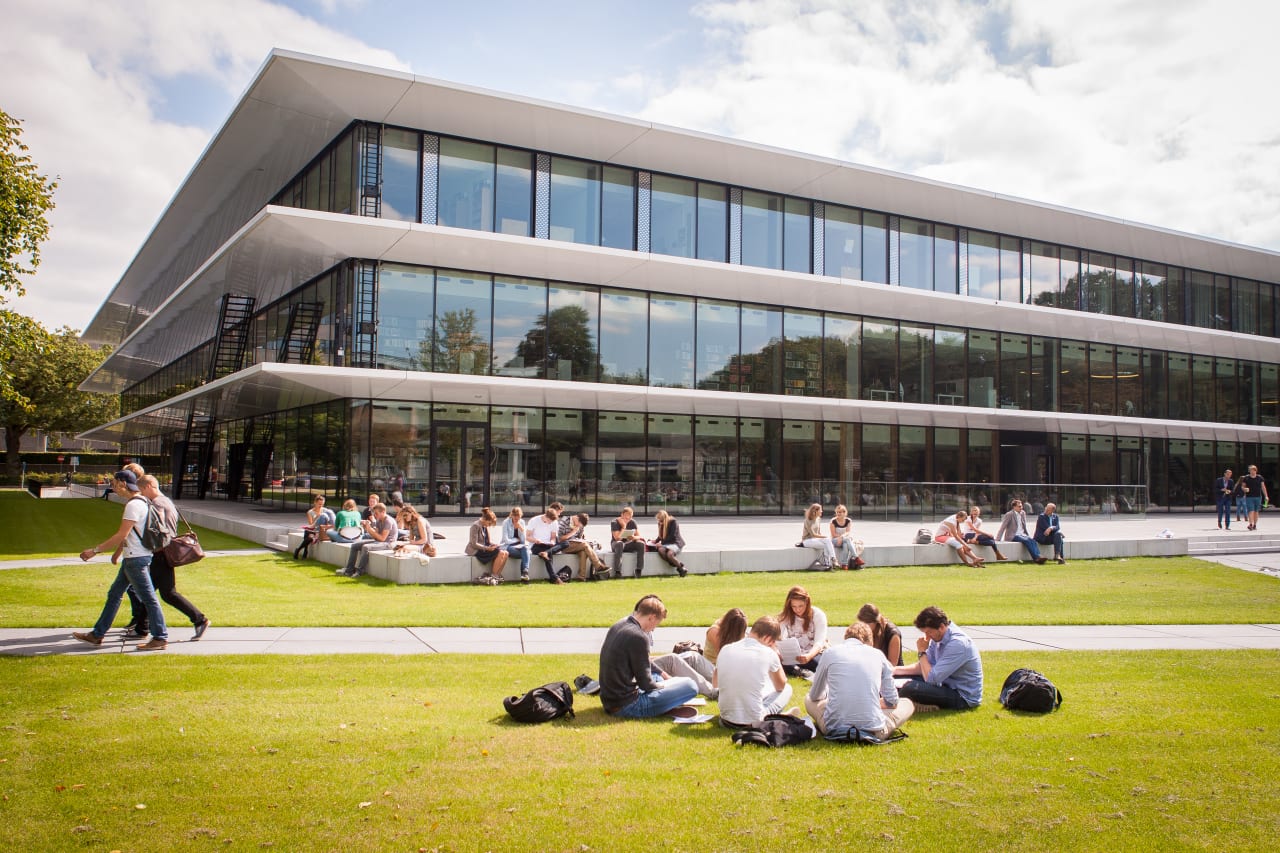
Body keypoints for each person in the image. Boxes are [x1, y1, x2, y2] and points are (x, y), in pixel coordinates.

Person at [72, 470, 168, 651]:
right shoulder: (143, 502)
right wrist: (117, 555)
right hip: (134, 557)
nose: (113, 488)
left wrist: (94, 551)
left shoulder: (133, 505)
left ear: (123, 484)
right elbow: (129, 535)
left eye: (115, 484)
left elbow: (121, 535)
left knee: (149, 598)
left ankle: (160, 636)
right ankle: (97, 634)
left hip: (136, 559)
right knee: (115, 594)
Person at [133, 474, 210, 640]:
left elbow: (158, 530)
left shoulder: (157, 504)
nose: (141, 494)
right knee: (157, 592)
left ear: (148, 486)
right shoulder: (166, 501)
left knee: (159, 593)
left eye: (141, 490)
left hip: (161, 553)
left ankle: (199, 619)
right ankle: (141, 627)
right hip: (164, 553)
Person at [805, 621, 914, 738]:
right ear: (870, 641)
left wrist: (829, 697)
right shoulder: (878, 655)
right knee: (907, 704)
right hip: (874, 729)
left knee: (809, 699)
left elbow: (815, 695)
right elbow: (892, 701)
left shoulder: (830, 653)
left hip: (834, 727)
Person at [598, 595, 698, 719]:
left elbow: (643, 661)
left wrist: (663, 675)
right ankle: (663, 707)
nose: (654, 629)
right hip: (627, 706)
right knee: (690, 685)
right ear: (651, 617)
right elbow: (646, 684)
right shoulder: (639, 637)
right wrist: (667, 685)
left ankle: (665, 704)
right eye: (657, 623)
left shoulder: (620, 624)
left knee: (657, 676)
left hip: (610, 700)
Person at [893, 605, 983, 710]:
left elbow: (931, 679)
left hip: (962, 696)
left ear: (941, 627)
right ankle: (914, 702)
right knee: (895, 678)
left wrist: (922, 652)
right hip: (943, 684)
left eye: (928, 632)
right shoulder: (938, 638)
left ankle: (918, 705)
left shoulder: (958, 644)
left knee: (910, 688)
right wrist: (895, 670)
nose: (927, 636)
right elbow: (925, 667)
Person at [713, 616, 793, 727]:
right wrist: (775, 653)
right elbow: (781, 686)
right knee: (787, 689)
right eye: (773, 641)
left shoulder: (726, 648)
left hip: (726, 720)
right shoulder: (769, 653)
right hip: (754, 721)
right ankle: (772, 717)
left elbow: (715, 684)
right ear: (768, 639)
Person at [778, 586, 827, 677]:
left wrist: (809, 656)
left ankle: (797, 669)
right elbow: (777, 636)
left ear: (807, 603)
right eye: (794, 606)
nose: (797, 609)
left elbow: (819, 642)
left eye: (801, 606)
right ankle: (799, 671)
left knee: (821, 666)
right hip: (794, 653)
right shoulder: (786, 615)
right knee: (776, 662)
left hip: (814, 653)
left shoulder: (818, 615)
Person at [337, 502, 398, 577]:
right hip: (380, 541)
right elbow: (376, 536)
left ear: (383, 512)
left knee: (366, 547)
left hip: (389, 543)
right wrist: (368, 528)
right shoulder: (379, 520)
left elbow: (382, 538)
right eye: (374, 513)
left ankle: (360, 572)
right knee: (355, 545)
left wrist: (370, 529)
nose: (375, 515)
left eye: (376, 513)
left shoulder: (388, 521)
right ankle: (349, 570)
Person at [557, 512, 611, 580]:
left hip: (576, 545)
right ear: (577, 519)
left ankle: (581, 577)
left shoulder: (580, 526)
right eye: (579, 525)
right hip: (564, 545)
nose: (580, 527)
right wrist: (573, 532)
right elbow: (559, 539)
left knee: (583, 551)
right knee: (585, 545)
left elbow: (579, 539)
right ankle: (598, 566)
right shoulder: (564, 521)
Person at [994, 499, 1046, 564]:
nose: (1021, 508)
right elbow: (1003, 527)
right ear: (1014, 507)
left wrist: (1026, 534)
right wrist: (998, 538)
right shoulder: (1009, 514)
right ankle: (1036, 558)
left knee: (1032, 540)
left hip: (1022, 534)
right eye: (1019, 506)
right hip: (1013, 535)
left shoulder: (1023, 513)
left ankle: (1039, 556)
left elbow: (1023, 525)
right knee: (1027, 541)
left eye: (1021, 506)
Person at [465, 507, 509, 580]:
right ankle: (494, 575)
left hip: (484, 548)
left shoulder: (485, 526)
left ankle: (497, 574)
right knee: (500, 552)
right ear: (485, 519)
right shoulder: (475, 526)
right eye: (489, 523)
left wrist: (494, 544)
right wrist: (487, 548)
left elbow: (487, 541)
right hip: (475, 550)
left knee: (506, 553)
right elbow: (474, 544)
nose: (489, 525)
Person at [526, 505, 564, 584]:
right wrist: (536, 540)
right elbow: (527, 537)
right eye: (549, 521)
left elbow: (553, 537)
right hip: (536, 545)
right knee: (547, 555)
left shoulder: (554, 522)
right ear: (546, 516)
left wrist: (553, 542)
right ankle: (555, 578)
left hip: (548, 545)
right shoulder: (534, 520)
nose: (550, 523)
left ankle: (546, 553)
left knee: (566, 543)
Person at [799, 503, 838, 569]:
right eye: (820, 510)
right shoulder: (807, 521)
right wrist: (825, 537)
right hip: (807, 540)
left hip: (815, 539)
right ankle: (829, 562)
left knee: (827, 542)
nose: (822, 511)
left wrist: (825, 539)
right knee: (827, 542)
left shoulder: (818, 519)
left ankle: (831, 561)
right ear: (815, 511)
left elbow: (819, 533)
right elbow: (813, 534)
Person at [295, 494, 335, 559]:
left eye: (322, 504)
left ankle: (300, 550)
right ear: (315, 503)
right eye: (319, 504)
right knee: (309, 535)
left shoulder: (325, 511)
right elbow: (311, 524)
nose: (321, 506)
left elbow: (328, 522)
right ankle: (302, 550)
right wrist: (317, 517)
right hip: (313, 529)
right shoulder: (310, 512)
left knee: (309, 535)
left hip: (321, 530)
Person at [610, 507, 646, 577]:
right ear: (622, 515)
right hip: (616, 544)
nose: (628, 520)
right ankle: (618, 572)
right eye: (626, 518)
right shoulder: (614, 522)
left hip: (628, 544)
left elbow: (639, 536)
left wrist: (633, 537)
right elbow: (617, 538)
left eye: (629, 518)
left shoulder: (632, 522)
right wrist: (624, 527)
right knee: (619, 543)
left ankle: (639, 570)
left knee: (641, 544)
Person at [651, 510, 687, 577]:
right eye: (658, 520)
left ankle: (681, 569)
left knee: (669, 554)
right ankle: (676, 563)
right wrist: (655, 541)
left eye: (661, 521)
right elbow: (661, 535)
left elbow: (672, 536)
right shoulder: (660, 523)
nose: (660, 522)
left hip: (675, 543)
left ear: (665, 518)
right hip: (667, 544)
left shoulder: (673, 522)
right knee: (660, 550)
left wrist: (662, 544)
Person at [829, 504, 865, 569]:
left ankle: (844, 565)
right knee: (847, 539)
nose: (838, 514)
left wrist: (842, 537)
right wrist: (841, 537)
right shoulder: (833, 521)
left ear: (844, 513)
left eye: (840, 512)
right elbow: (833, 534)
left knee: (846, 543)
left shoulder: (848, 520)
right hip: (835, 541)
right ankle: (856, 557)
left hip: (843, 539)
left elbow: (848, 532)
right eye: (837, 512)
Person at [499, 506, 531, 581]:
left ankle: (525, 572)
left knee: (525, 549)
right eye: (515, 517)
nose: (517, 519)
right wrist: (516, 539)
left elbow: (523, 540)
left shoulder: (522, 522)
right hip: (507, 546)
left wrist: (520, 528)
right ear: (512, 515)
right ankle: (524, 575)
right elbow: (506, 540)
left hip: (520, 546)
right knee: (526, 555)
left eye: (518, 517)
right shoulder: (506, 522)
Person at [1236, 464, 1270, 531]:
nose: (1252, 471)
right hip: (1249, 497)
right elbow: (1242, 486)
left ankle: (1255, 524)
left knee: (1256, 511)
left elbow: (1263, 487)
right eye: (1250, 470)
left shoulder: (1260, 478)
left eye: (1253, 470)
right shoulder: (1246, 478)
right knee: (1251, 511)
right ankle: (1250, 524)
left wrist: (1266, 496)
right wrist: (1244, 489)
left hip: (1258, 496)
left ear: (1255, 470)